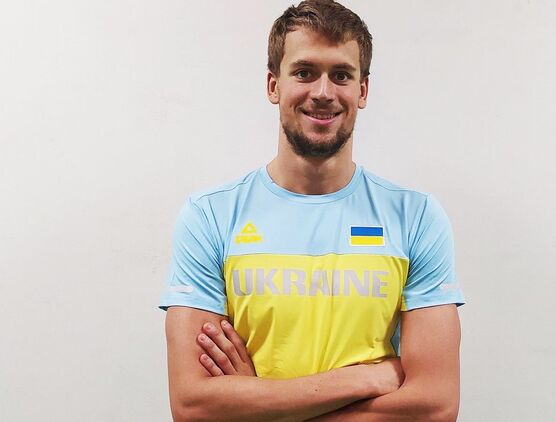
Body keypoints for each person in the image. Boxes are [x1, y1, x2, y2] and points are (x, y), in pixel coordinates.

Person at [158, 1, 465, 420]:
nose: (323, 92)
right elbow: (193, 405)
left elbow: (435, 406)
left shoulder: (415, 217)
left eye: (341, 75)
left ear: (362, 90)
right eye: (304, 72)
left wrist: (257, 404)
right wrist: (362, 379)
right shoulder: (210, 216)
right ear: (273, 85)